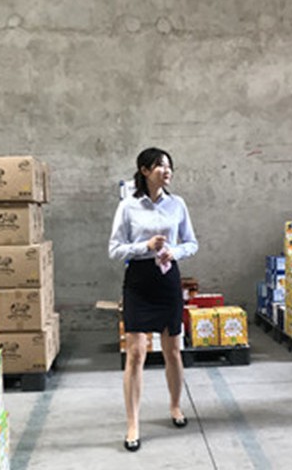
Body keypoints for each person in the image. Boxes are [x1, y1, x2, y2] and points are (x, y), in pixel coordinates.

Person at [109, 147, 199, 451]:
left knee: (173, 350)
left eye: (169, 166)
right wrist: (144, 246)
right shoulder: (128, 206)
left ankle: (175, 406)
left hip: (168, 279)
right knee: (136, 353)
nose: (167, 170)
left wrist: (175, 251)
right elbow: (114, 249)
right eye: (160, 166)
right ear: (145, 170)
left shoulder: (178, 204)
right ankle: (133, 423)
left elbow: (192, 242)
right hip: (139, 281)